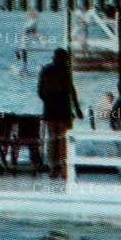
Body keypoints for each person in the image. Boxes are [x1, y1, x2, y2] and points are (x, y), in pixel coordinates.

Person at [37, 49, 82, 178]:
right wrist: (77, 109)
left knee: (52, 141)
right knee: (63, 141)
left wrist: (49, 101)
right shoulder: (65, 71)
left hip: (50, 110)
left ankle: (53, 168)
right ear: (64, 59)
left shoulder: (46, 70)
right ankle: (63, 169)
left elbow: (40, 92)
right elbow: (71, 91)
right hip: (63, 111)